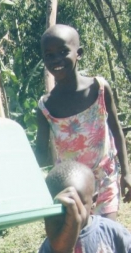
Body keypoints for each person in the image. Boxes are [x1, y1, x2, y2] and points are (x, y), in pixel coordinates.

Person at [35, 23, 131, 221]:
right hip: (72, 188)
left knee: (105, 235)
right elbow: (41, 154)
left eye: (63, 51)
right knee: (81, 243)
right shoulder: (45, 106)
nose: (56, 60)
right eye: (49, 55)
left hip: (105, 179)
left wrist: (126, 173)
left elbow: (116, 131)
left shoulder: (99, 89)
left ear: (79, 53)